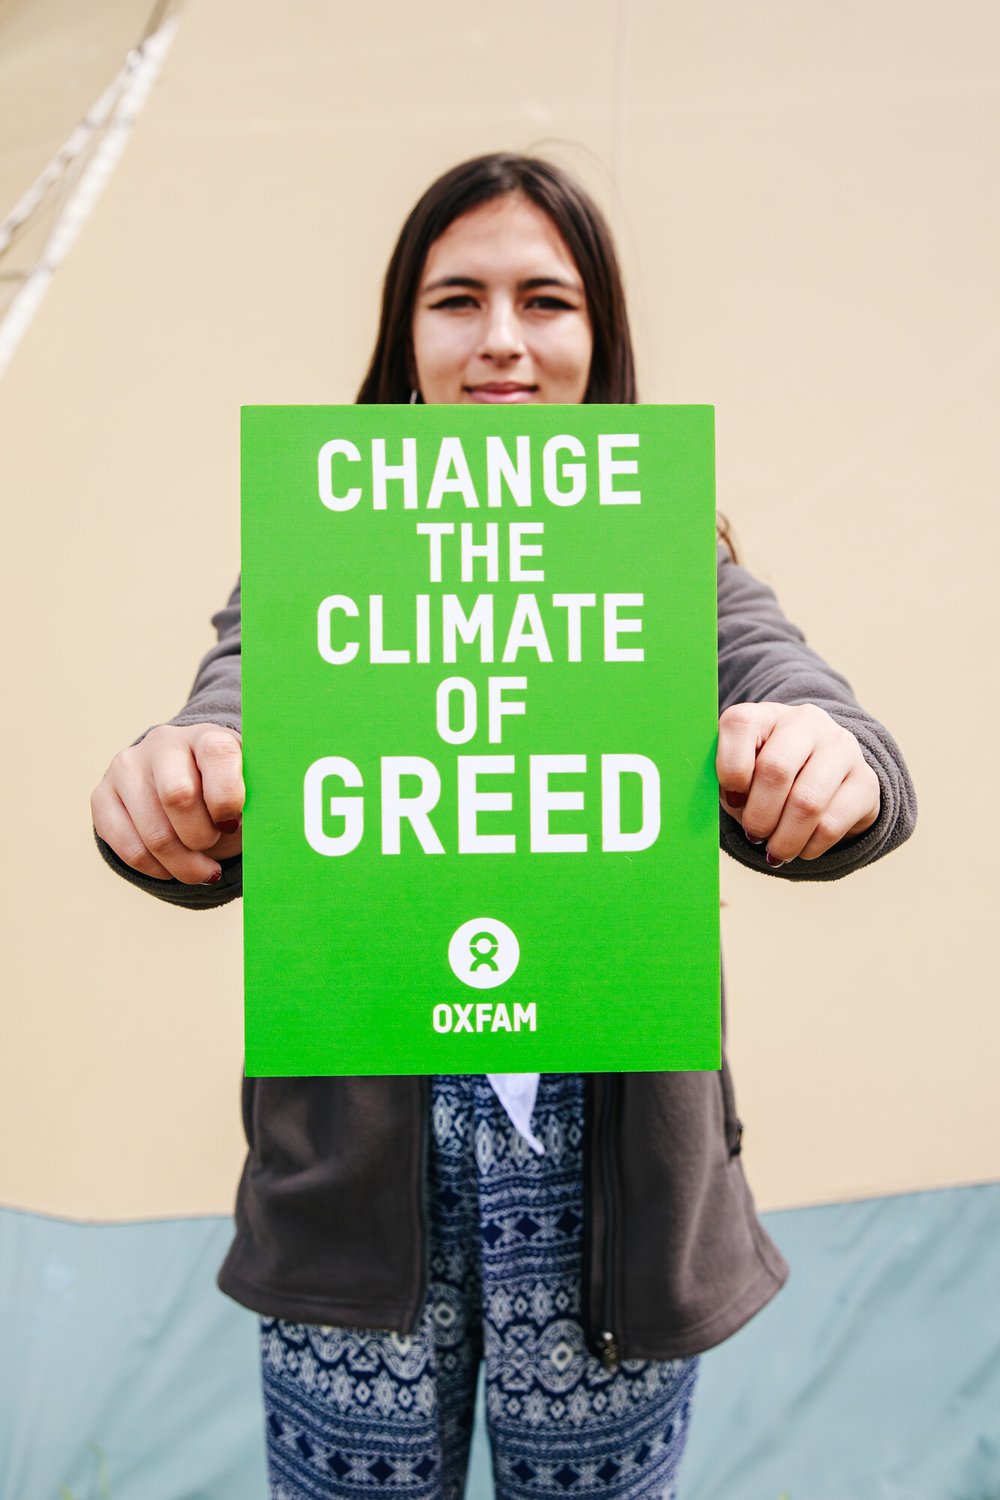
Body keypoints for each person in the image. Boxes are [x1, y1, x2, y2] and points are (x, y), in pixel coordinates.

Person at [91, 153, 917, 1500]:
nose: (502, 344)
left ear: (600, 339)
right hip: (355, 1222)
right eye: (455, 299)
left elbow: (821, 711)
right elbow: (232, 709)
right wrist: (182, 774)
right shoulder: (321, 554)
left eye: (547, 300)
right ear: (403, 338)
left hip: (617, 1221)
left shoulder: (682, 568)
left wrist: (835, 763)